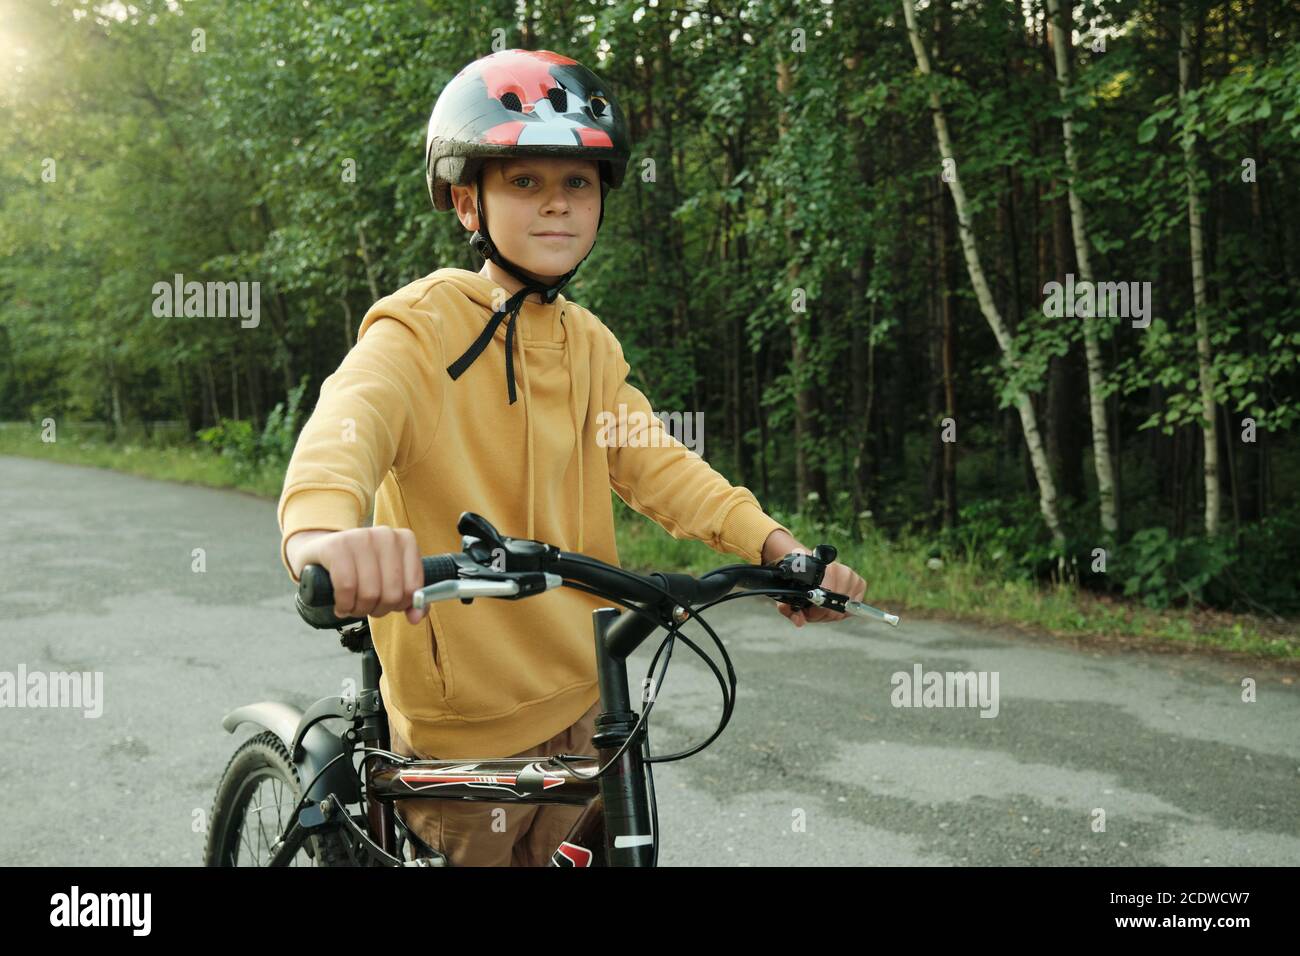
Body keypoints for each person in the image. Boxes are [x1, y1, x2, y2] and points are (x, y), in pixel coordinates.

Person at [278, 48, 867, 866]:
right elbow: (347, 428)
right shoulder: (419, 329)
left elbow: (655, 462)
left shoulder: (589, 345)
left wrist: (774, 550)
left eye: (578, 183)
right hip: (465, 728)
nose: (556, 205)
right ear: (465, 201)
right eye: (525, 181)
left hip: (593, 698)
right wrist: (322, 537)